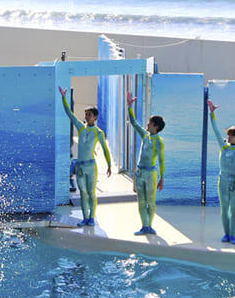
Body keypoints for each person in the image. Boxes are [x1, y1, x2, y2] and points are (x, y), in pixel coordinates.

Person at [59, 86, 113, 227]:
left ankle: (92, 218)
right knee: (83, 192)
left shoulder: (98, 133)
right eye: (86, 114)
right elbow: (70, 114)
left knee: (91, 193)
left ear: (95, 117)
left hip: (91, 166)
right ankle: (85, 218)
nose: (87, 116)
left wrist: (109, 165)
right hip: (80, 166)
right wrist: (64, 98)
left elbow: (105, 150)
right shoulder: (81, 127)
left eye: (89, 114)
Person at [207, 99, 235, 244]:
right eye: (228, 134)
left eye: (231, 135)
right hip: (222, 180)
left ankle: (233, 235)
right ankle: (226, 234)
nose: (228, 137)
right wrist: (212, 113)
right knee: (224, 208)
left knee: (234, 209)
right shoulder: (224, 146)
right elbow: (216, 130)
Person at [126, 93, 166, 236]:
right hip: (140, 172)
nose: (147, 125)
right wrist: (130, 106)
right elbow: (134, 122)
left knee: (150, 201)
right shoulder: (145, 135)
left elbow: (161, 161)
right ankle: (144, 226)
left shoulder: (159, 141)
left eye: (150, 123)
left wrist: (162, 178)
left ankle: (150, 225)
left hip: (151, 174)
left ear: (156, 127)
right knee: (141, 201)